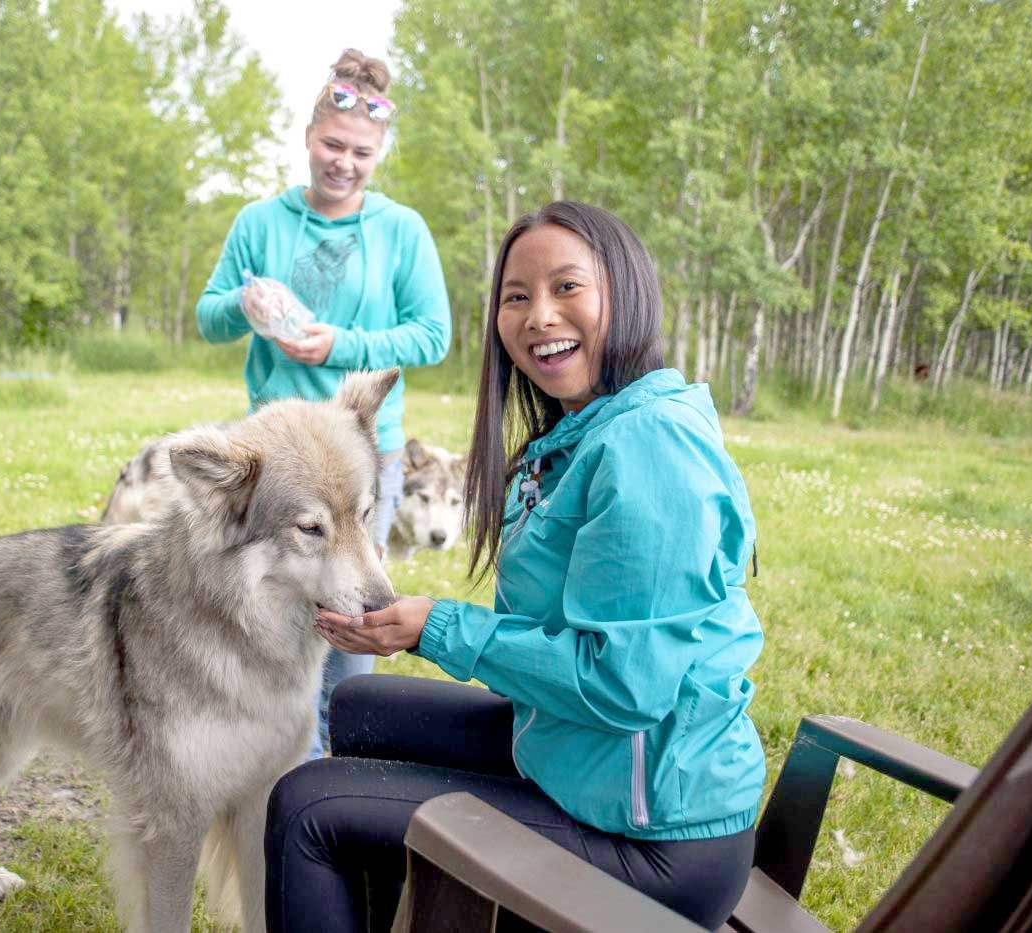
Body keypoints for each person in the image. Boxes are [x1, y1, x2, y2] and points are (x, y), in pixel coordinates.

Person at [265, 201, 765, 932]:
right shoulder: (588, 429)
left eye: (568, 288)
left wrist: (437, 627)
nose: (539, 316)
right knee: (356, 709)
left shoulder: (649, 447)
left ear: (625, 292)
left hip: (652, 839)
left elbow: (623, 685)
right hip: (581, 757)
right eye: (516, 296)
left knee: (307, 805)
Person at [195, 50, 451, 760]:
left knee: (351, 620)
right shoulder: (260, 223)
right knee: (274, 624)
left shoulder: (400, 230)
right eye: (332, 144)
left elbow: (433, 334)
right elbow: (207, 317)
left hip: (362, 456)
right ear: (308, 136)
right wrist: (242, 305)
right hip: (276, 468)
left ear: (380, 153)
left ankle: (343, 771)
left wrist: (340, 343)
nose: (344, 161)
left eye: (361, 152)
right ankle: (278, 766)